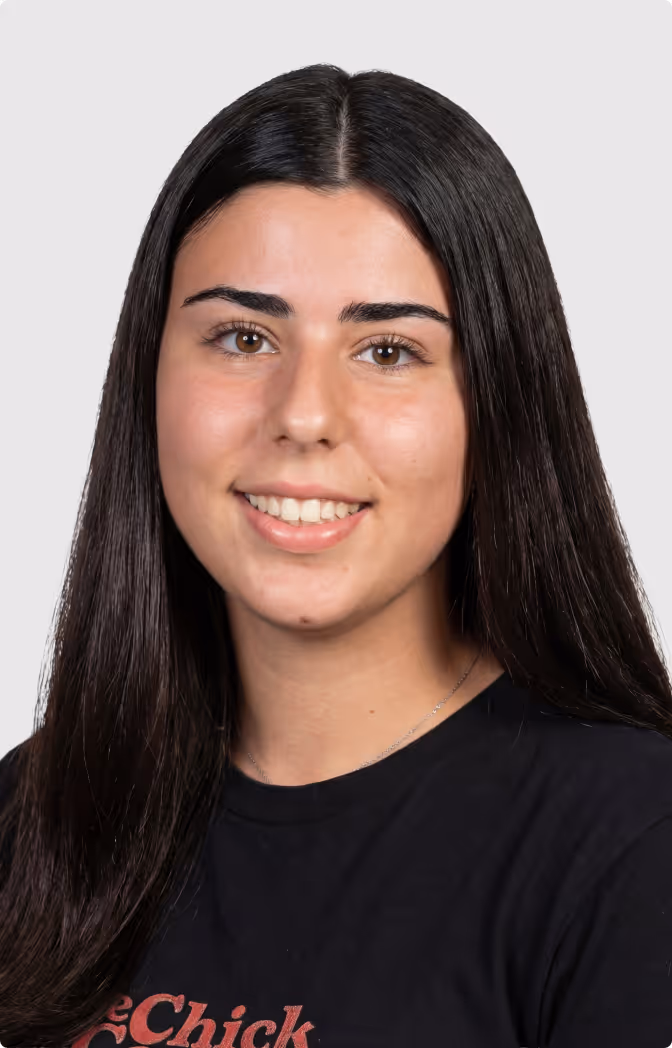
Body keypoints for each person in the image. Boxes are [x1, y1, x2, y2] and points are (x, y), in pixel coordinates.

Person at [1, 62, 671, 1048]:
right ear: (149, 377)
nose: (305, 415)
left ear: (498, 405)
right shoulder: (31, 821)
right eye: (241, 337)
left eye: (389, 351)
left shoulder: (632, 845)